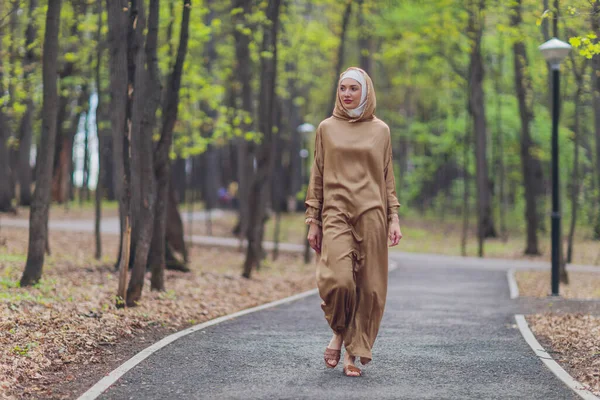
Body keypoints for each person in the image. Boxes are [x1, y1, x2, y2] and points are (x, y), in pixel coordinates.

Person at [305, 67, 403, 377]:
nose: (347, 93)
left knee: (370, 287)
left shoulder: (381, 130)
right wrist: (313, 218)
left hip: (372, 213)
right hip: (335, 212)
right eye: (343, 88)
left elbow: (387, 178)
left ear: (366, 92)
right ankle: (339, 331)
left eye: (353, 89)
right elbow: (317, 173)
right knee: (341, 281)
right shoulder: (326, 128)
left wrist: (393, 217)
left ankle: (353, 350)